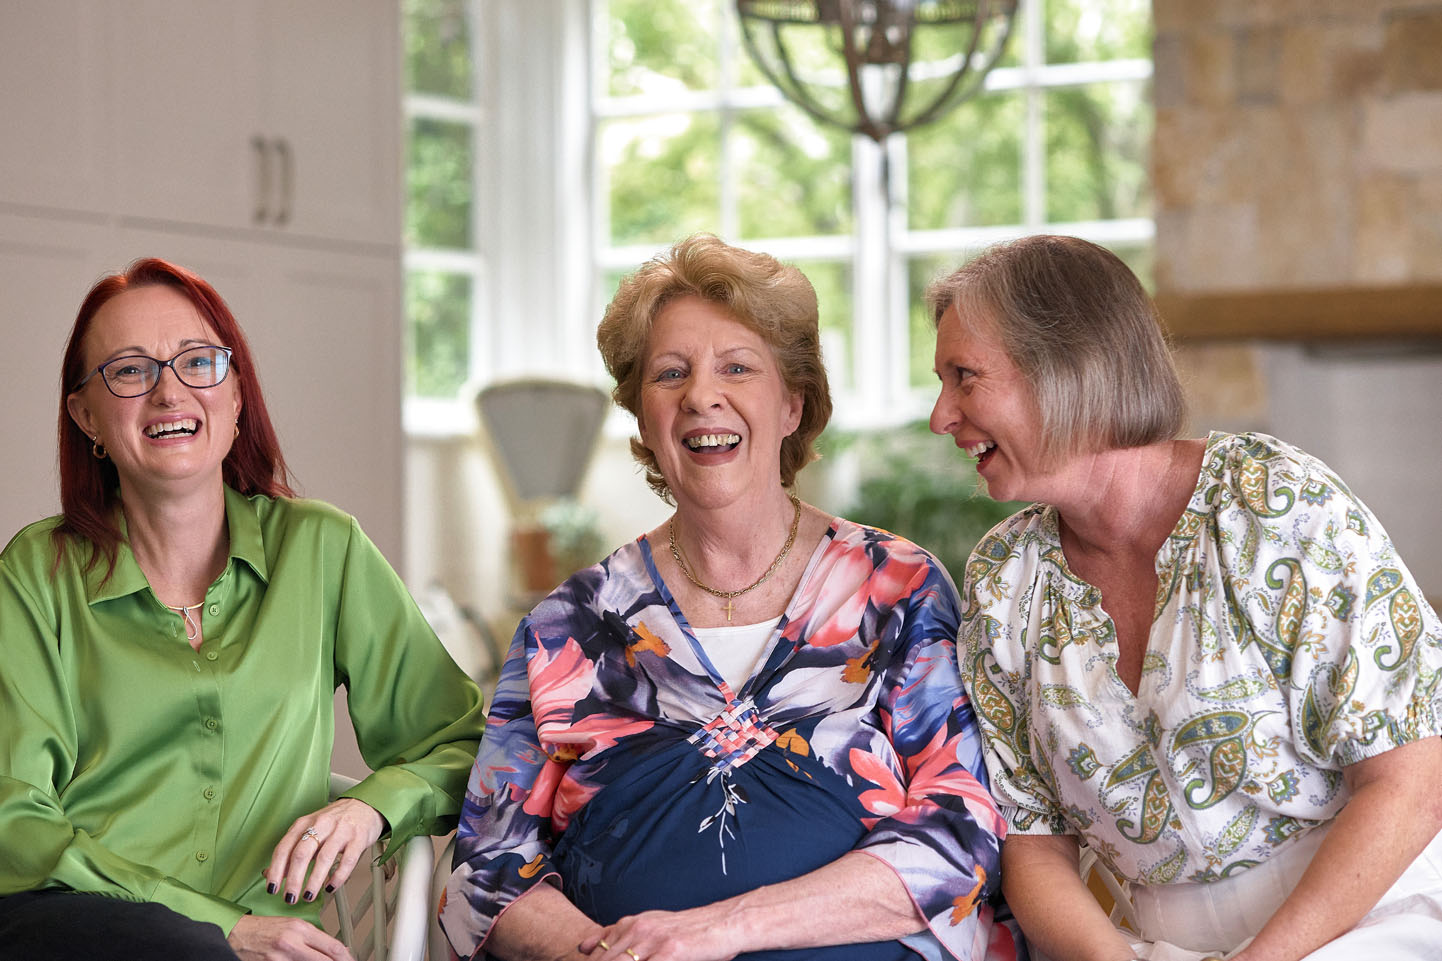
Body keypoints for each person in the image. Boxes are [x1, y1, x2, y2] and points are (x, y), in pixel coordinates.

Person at [439, 234, 1022, 961]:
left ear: (791, 406)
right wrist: (626, 954)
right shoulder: (568, 625)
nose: (701, 396)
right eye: (670, 373)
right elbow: (485, 873)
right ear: (645, 421)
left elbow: (963, 834)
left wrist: (714, 932)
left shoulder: (897, 590)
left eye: (737, 368)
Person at [926, 234, 1442, 961]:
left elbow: (1412, 781)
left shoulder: (1274, 503)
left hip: (1367, 920)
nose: (941, 415)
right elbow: (1034, 846)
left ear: (1068, 366)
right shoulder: (1003, 579)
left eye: (965, 377)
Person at [0, 258, 487, 961]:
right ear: (87, 417)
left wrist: (371, 807)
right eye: (131, 372)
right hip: (70, 925)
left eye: (198, 362)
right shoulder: (34, 575)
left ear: (235, 397)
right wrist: (219, 927)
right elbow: (14, 818)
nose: (170, 392)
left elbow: (462, 739)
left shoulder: (323, 550)